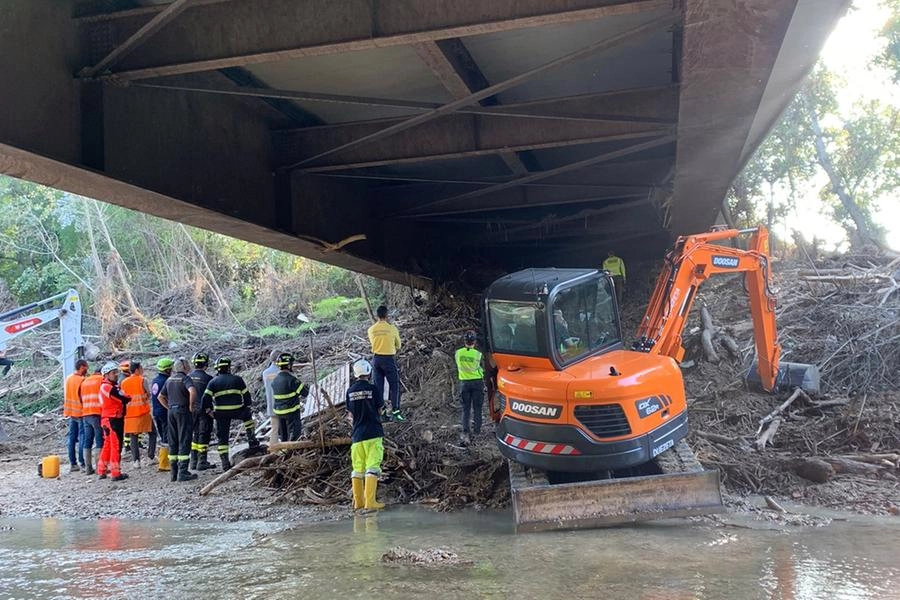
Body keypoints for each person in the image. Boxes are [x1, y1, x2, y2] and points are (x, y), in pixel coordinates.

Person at [204, 356, 259, 471]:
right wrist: (247, 407)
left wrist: (209, 411)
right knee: (248, 418)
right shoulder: (237, 379)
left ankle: (224, 463)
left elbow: (206, 398)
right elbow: (246, 395)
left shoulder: (213, 382)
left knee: (222, 437)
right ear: (229, 367)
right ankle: (252, 441)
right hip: (238, 410)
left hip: (221, 413)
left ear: (217, 369)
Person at [346, 359, 385, 511]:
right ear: (369, 372)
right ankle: (370, 503)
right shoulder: (373, 389)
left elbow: (350, 414)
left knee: (357, 469)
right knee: (372, 467)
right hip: (373, 433)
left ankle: (358, 503)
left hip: (357, 436)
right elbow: (380, 409)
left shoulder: (350, 391)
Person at [158, 357, 198, 482]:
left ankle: (173, 473)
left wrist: (169, 407)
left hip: (171, 412)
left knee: (173, 440)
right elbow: (192, 391)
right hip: (183, 412)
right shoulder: (185, 378)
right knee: (184, 439)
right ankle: (183, 472)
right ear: (185, 367)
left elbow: (160, 396)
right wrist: (191, 406)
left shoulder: (169, 379)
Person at [367, 305, 403, 422]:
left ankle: (381, 413)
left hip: (376, 360)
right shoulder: (392, 328)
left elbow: (372, 343)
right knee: (394, 386)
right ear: (387, 316)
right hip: (388, 359)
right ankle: (396, 412)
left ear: (377, 316)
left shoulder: (371, 329)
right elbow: (398, 345)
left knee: (378, 387)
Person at [97, 361, 130, 482]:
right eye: (113, 373)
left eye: (116, 372)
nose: (116, 375)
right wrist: (125, 397)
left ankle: (102, 470)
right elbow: (124, 397)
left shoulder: (105, 386)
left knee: (107, 445)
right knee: (116, 446)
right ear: (106, 374)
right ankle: (115, 473)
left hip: (107, 419)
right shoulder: (108, 387)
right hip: (113, 419)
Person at [121, 361, 156, 468]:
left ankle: (136, 461)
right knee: (153, 433)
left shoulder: (124, 382)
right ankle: (151, 457)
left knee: (133, 437)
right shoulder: (142, 380)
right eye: (141, 368)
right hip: (142, 412)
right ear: (136, 370)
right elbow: (148, 394)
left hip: (129, 414)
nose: (142, 370)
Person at [270, 352, 309, 441]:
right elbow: (305, 392)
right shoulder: (291, 380)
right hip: (291, 412)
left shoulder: (275, 380)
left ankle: (284, 450)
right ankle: (292, 451)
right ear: (288, 365)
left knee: (284, 434)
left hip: (279, 412)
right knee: (295, 434)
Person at [454, 331, 484, 443]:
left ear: (465, 341)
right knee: (478, 408)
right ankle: (477, 431)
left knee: (466, 409)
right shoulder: (478, 354)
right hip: (477, 383)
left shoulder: (458, 353)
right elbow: (481, 367)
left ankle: (465, 431)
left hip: (464, 383)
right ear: (474, 342)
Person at [188, 352, 214, 471]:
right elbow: (210, 397)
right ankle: (202, 461)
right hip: (204, 411)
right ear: (206, 364)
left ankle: (193, 461)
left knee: (195, 434)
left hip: (191, 410)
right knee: (204, 435)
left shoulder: (188, 377)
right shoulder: (209, 379)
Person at [63, 359, 88, 472]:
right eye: (86, 368)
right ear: (82, 367)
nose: (87, 370)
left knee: (72, 438)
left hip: (70, 412)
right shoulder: (82, 380)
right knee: (82, 436)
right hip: (81, 412)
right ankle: (82, 462)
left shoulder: (68, 378)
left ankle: (73, 463)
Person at [80, 365, 104, 475]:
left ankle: (88, 468)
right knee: (99, 440)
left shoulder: (84, 381)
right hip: (97, 413)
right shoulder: (102, 380)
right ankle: (100, 467)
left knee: (87, 441)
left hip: (86, 414)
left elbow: (80, 398)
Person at [261, 349, 285, 443]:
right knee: (285, 430)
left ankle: (273, 450)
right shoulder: (282, 372)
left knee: (274, 430)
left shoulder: (265, 373)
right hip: (283, 404)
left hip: (272, 405)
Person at [150, 358, 173, 448]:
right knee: (167, 437)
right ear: (167, 370)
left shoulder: (155, 380)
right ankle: (167, 458)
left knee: (163, 436)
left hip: (156, 411)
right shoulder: (167, 381)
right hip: (165, 411)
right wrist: (169, 408)